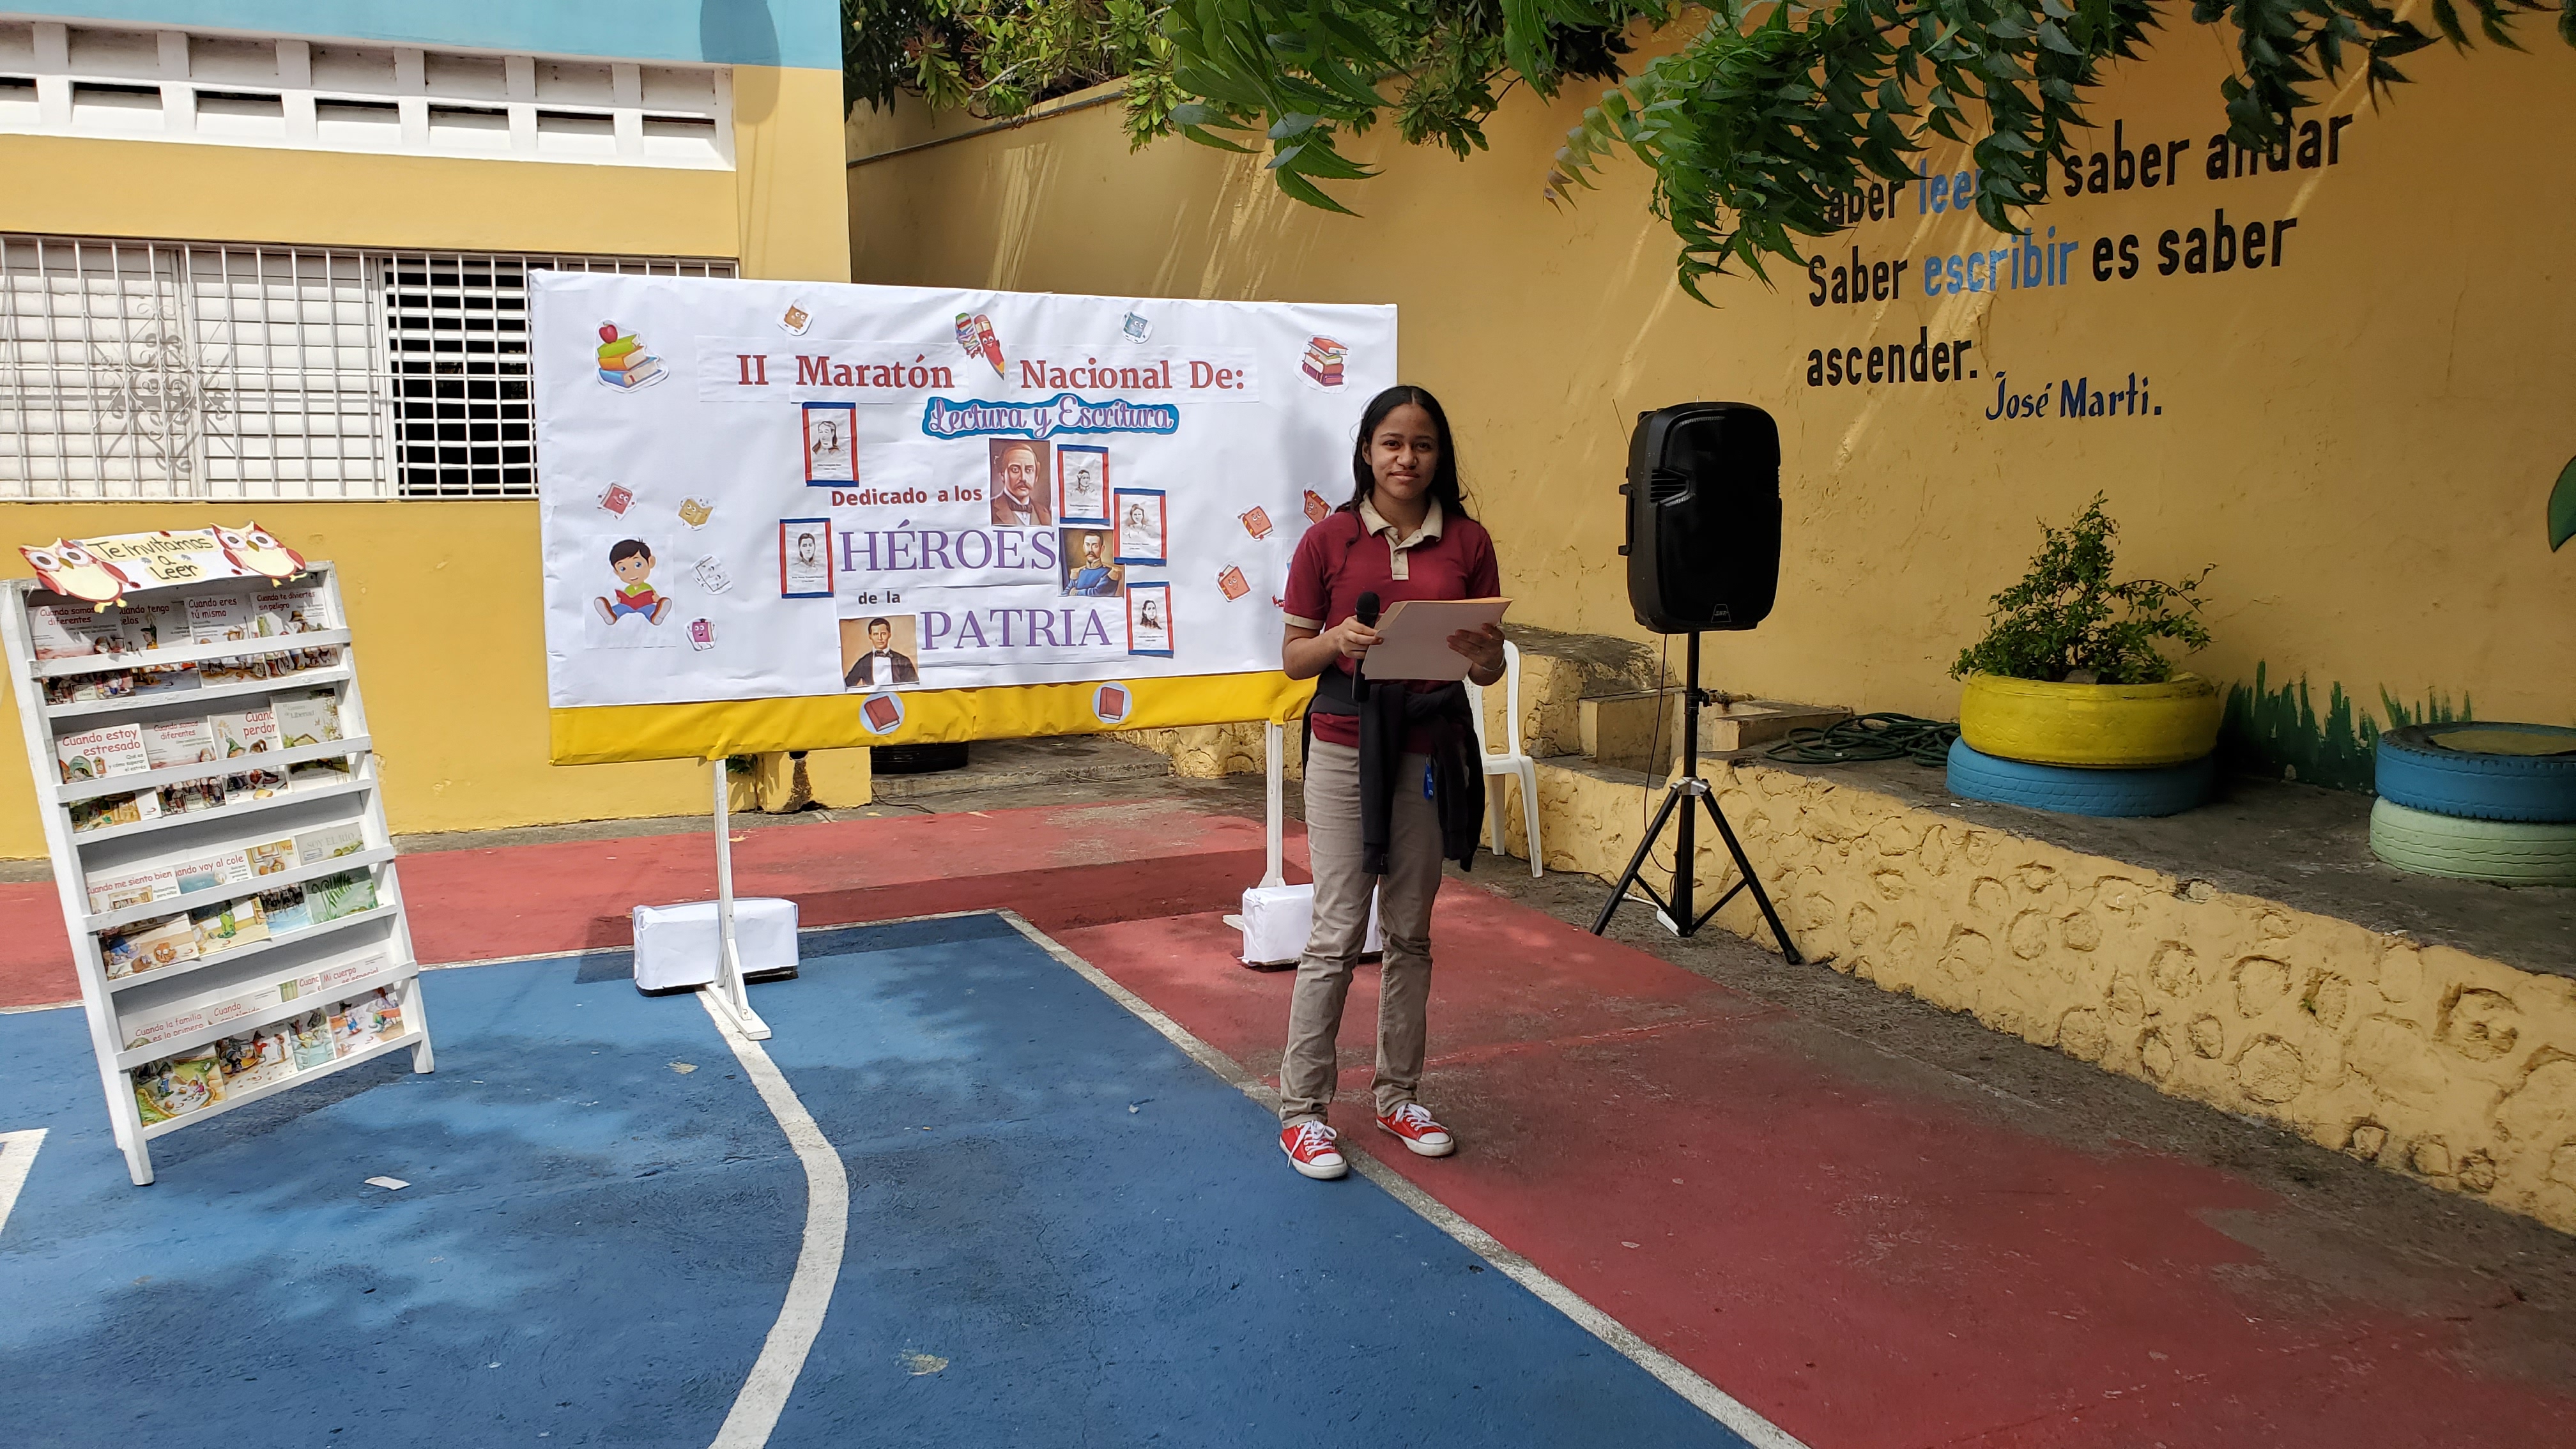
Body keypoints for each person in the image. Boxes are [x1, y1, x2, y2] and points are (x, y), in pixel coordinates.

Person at [1274, 383, 1505, 1181]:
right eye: (1393, 443)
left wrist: (1486, 658)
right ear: (1367, 452)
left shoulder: (1468, 541)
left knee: (1411, 932)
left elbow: (1486, 664)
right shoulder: (1328, 541)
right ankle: (1303, 1111)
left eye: (1423, 445)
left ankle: (1398, 1095)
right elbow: (1293, 659)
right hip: (1345, 746)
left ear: (1441, 456)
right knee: (1338, 932)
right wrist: (1338, 638)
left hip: (1427, 750)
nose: (1408, 458)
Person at [844, 617, 919, 687]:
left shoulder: (903, 661)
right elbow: (847, 685)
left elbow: (915, 687)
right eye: (876, 634)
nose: (880, 638)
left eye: (883, 634)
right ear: (870, 636)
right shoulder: (863, 662)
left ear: (889, 635)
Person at [990, 442, 1051, 525]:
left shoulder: (1045, 513)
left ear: (1036, 477)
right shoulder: (989, 509)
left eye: (1029, 470)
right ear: (1002, 475)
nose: (1023, 478)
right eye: (1015, 470)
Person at [1064, 532, 1121, 597]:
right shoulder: (1078, 572)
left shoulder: (1110, 573)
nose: (1090, 550)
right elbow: (1065, 594)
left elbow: (1098, 593)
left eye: (1095, 546)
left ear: (1102, 549)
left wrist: (1076, 593)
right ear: (1084, 548)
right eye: (1087, 545)